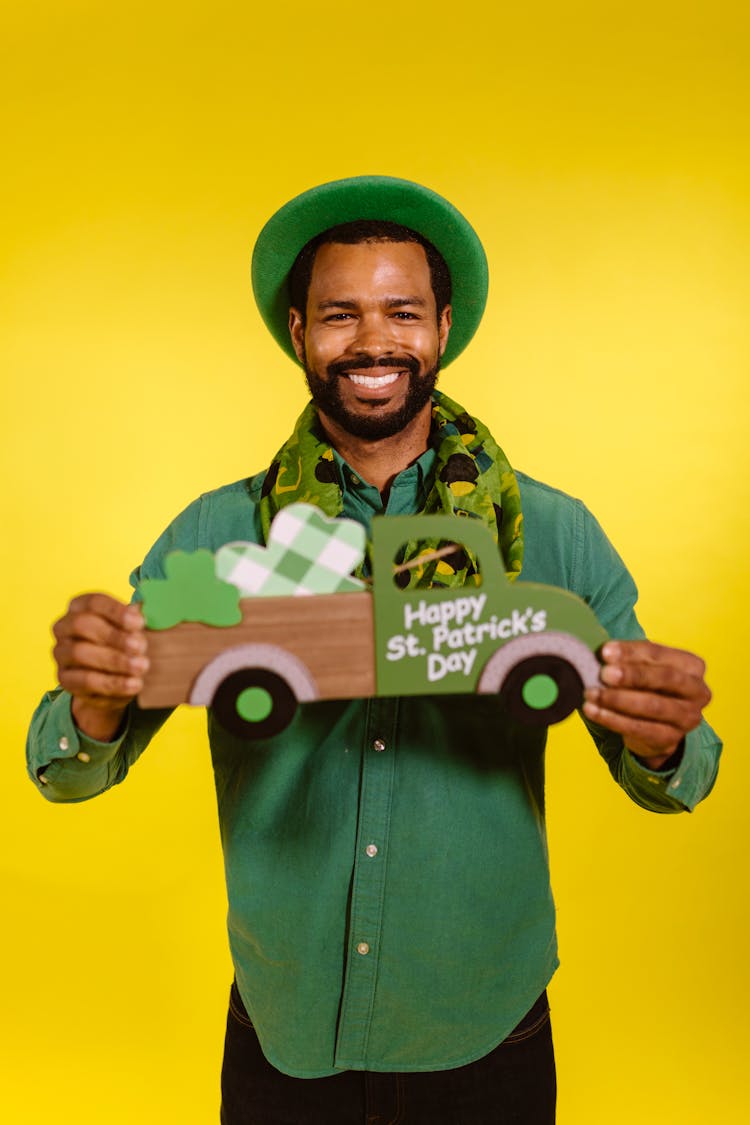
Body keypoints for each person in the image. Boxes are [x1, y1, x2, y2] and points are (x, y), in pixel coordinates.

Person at [27, 176, 721, 1124]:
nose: (372, 341)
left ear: (442, 327)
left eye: (402, 310)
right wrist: (97, 700)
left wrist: (664, 738)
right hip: (286, 1024)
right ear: (299, 330)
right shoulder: (217, 533)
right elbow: (65, 770)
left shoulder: (550, 535)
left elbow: (680, 775)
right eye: (340, 314)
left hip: (485, 1022)